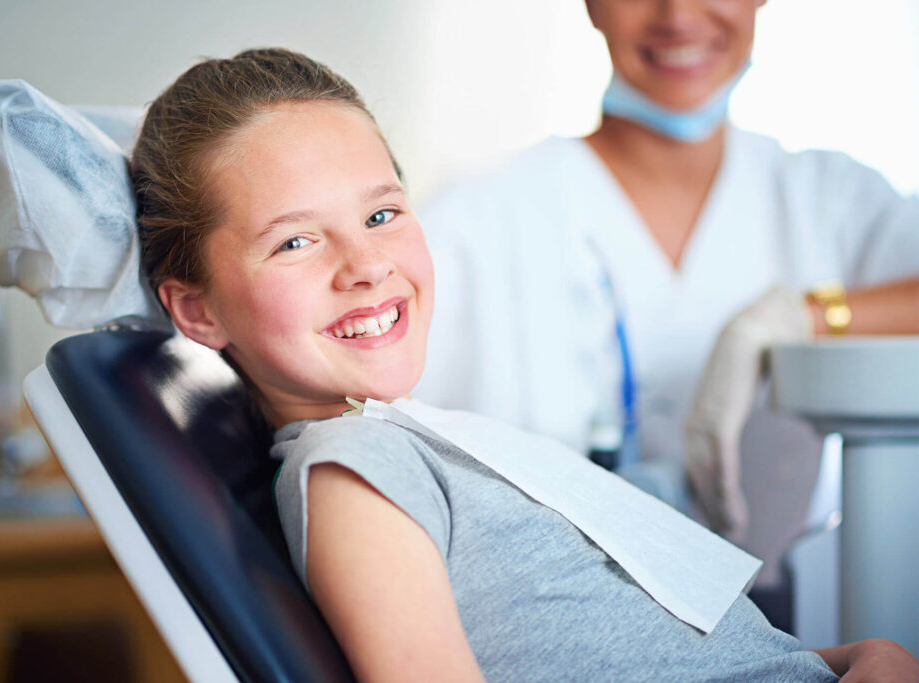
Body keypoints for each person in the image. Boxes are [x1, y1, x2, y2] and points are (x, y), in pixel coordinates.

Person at [129, 48, 917, 681]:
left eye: (380, 214)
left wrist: (848, 658)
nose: (365, 264)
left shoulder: (417, 442)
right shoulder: (352, 472)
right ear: (196, 309)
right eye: (295, 240)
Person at [413, 0, 919, 576]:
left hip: (777, 631)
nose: (677, 16)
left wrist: (803, 318)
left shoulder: (826, 199)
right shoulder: (476, 220)